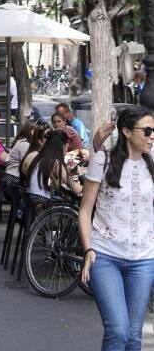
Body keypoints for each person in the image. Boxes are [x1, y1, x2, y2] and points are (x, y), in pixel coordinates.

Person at [79, 106, 154, 351]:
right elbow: (85, 210)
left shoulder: (152, 163)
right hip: (105, 257)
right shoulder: (104, 161)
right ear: (127, 132)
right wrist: (88, 249)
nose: (152, 135)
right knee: (118, 331)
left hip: (143, 259)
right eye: (147, 130)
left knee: (133, 337)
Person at [25, 129, 82, 206]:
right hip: (42, 200)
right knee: (72, 204)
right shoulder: (55, 163)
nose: (67, 150)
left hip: (30, 197)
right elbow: (73, 186)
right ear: (63, 146)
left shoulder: (39, 157)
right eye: (67, 147)